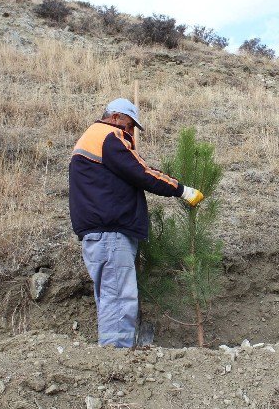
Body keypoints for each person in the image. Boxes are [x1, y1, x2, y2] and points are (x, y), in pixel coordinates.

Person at [69, 98, 204, 348]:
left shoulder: (91, 138)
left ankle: (112, 355)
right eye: (130, 126)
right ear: (117, 117)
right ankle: (117, 361)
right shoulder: (108, 135)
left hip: (98, 236)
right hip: (111, 234)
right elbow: (142, 173)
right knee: (119, 298)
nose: (130, 132)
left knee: (110, 299)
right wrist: (182, 190)